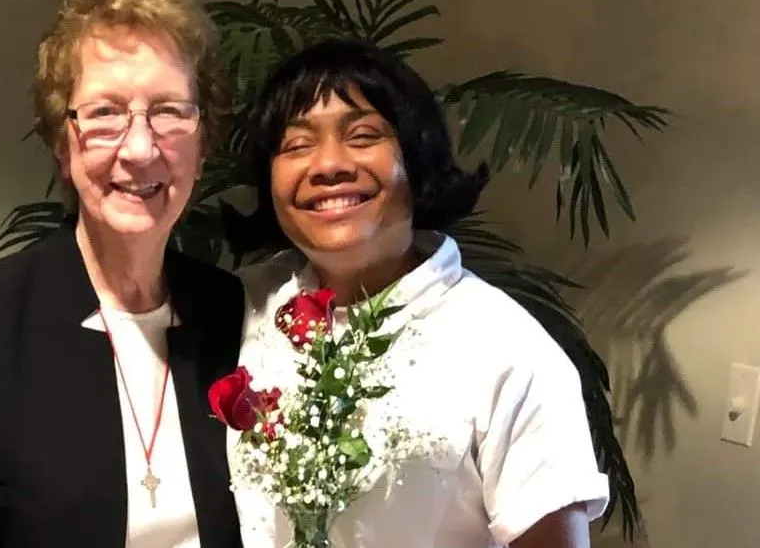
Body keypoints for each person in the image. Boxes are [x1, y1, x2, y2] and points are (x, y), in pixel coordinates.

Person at [0, 0, 245, 547]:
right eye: (106, 112)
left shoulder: (231, 309)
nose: (140, 148)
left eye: (168, 111)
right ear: (63, 144)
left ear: (202, 144)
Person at [228, 38, 609, 548]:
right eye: (297, 145)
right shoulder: (238, 309)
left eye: (362, 135)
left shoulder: (506, 347)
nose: (328, 165)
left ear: (416, 157)